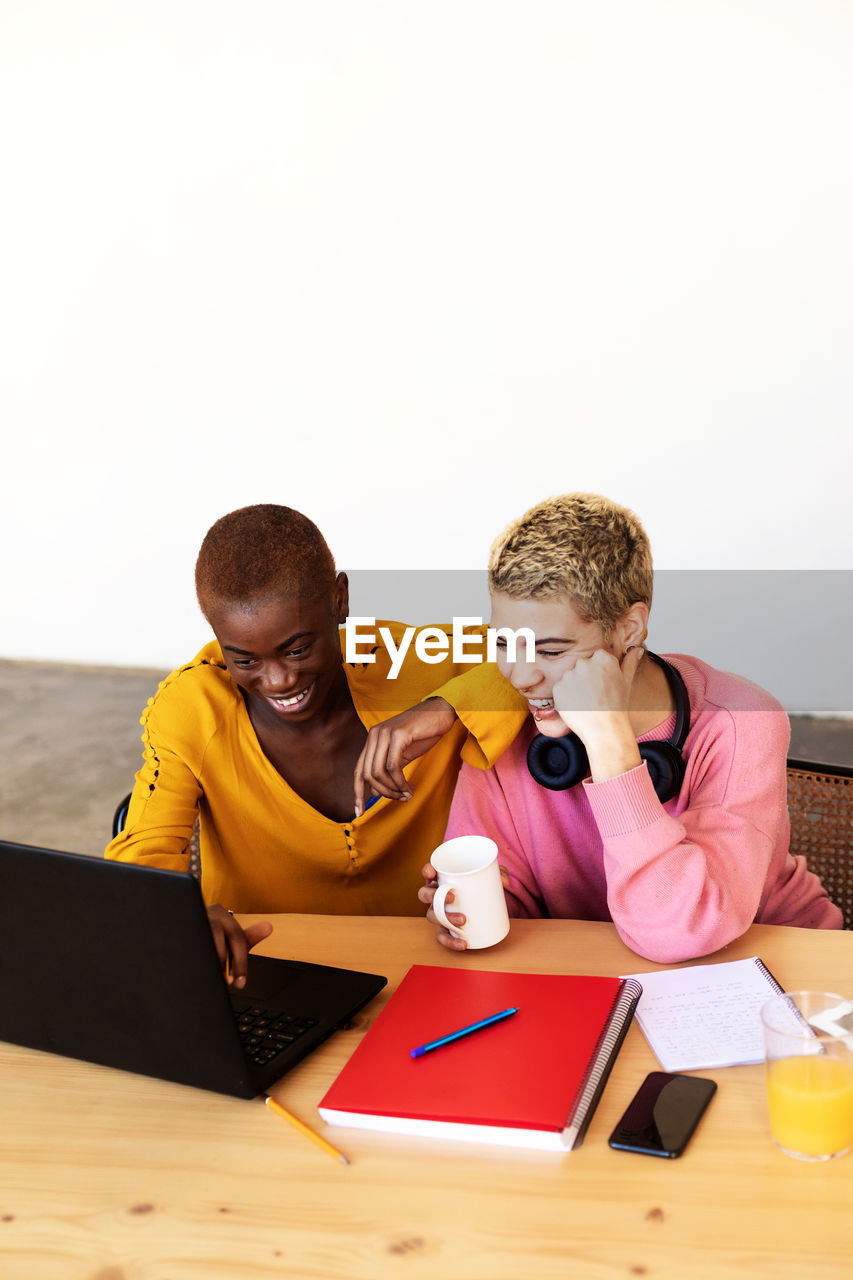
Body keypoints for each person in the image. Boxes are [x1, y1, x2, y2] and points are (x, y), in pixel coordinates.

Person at [355, 493, 842, 963]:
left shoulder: (741, 722)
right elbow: (514, 897)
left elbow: (677, 929)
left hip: (778, 966)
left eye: (551, 651)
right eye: (504, 642)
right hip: (605, 969)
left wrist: (611, 745)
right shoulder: (505, 720)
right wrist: (475, 908)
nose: (521, 677)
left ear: (629, 629)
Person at [105, 503, 517, 986]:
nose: (279, 680)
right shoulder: (190, 708)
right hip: (262, 975)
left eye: (298, 649)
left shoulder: (418, 662)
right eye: (244, 659)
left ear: (339, 599)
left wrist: (444, 705)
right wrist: (179, 920)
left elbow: (552, 652)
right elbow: (142, 860)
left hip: (437, 961)